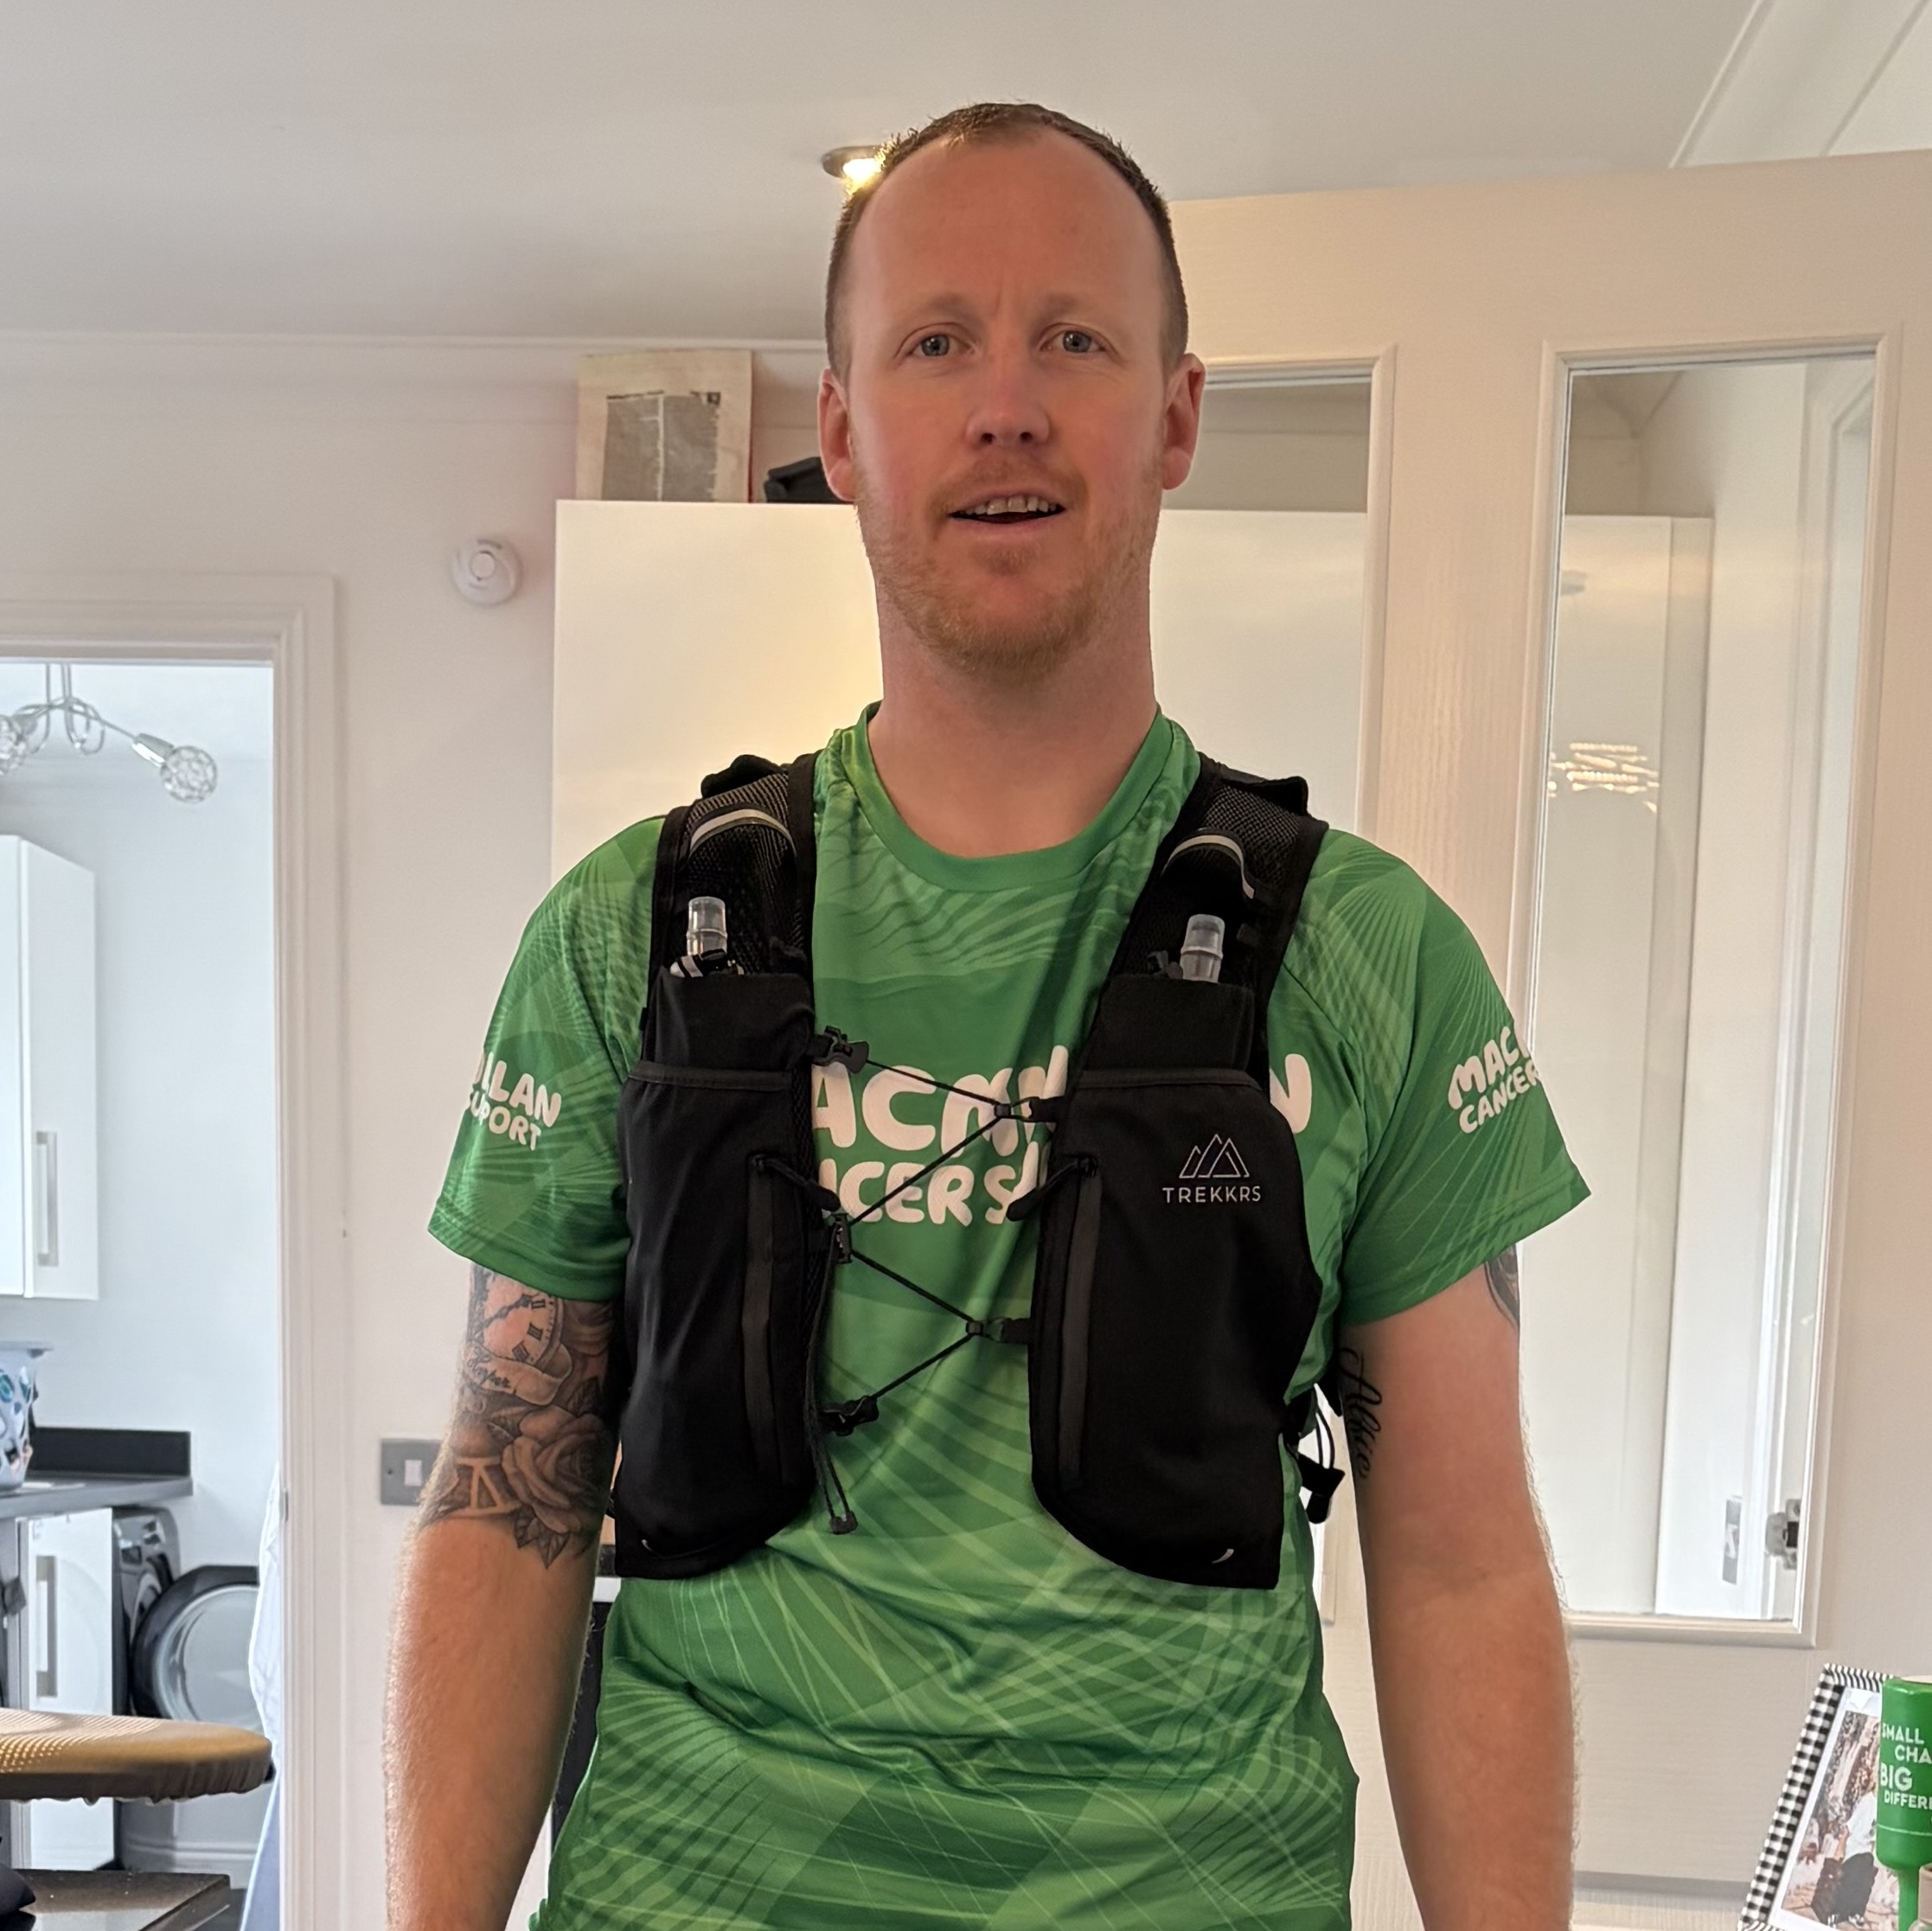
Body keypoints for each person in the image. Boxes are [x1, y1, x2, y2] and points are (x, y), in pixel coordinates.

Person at [386, 101, 1587, 1930]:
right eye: (936, 341)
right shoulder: (627, 939)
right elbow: (509, 1497)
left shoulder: (1371, 957)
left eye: (1073, 339)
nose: (1005, 405)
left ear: (1173, 417)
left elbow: (1462, 1561)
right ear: (843, 431)